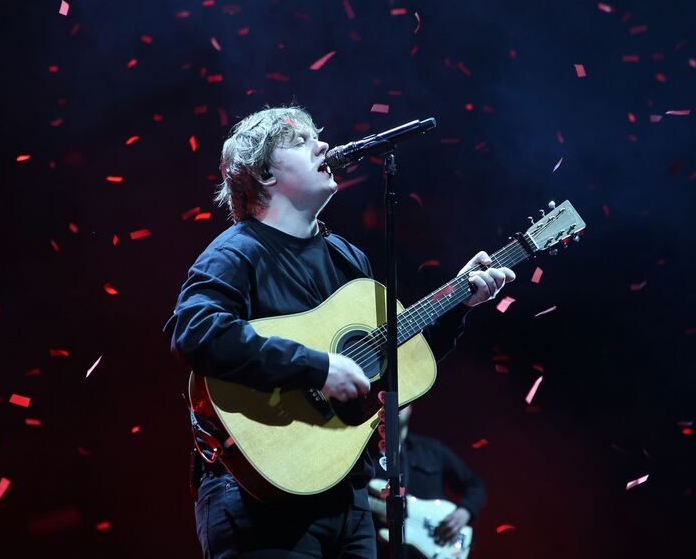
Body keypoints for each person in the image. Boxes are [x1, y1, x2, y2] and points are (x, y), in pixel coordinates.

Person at [165, 105, 515, 558]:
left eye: (319, 136)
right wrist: (316, 366)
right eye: (300, 141)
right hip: (258, 502)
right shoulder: (236, 252)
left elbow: (391, 360)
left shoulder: (348, 258)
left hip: (348, 496)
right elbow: (195, 332)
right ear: (265, 174)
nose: (324, 145)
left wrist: (457, 303)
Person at [370, 405, 486, 557]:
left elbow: (475, 485)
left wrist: (464, 512)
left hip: (437, 547)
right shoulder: (364, 458)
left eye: (404, 399)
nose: (398, 404)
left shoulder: (432, 450)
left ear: (411, 408)